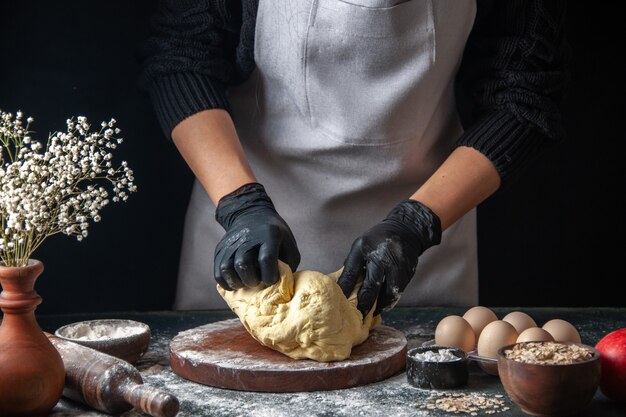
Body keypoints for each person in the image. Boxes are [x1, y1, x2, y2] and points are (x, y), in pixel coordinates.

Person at [139, 0, 568, 316]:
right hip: (247, 245)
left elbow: (523, 92)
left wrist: (416, 223)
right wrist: (239, 204)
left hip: (422, 254)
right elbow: (183, 55)